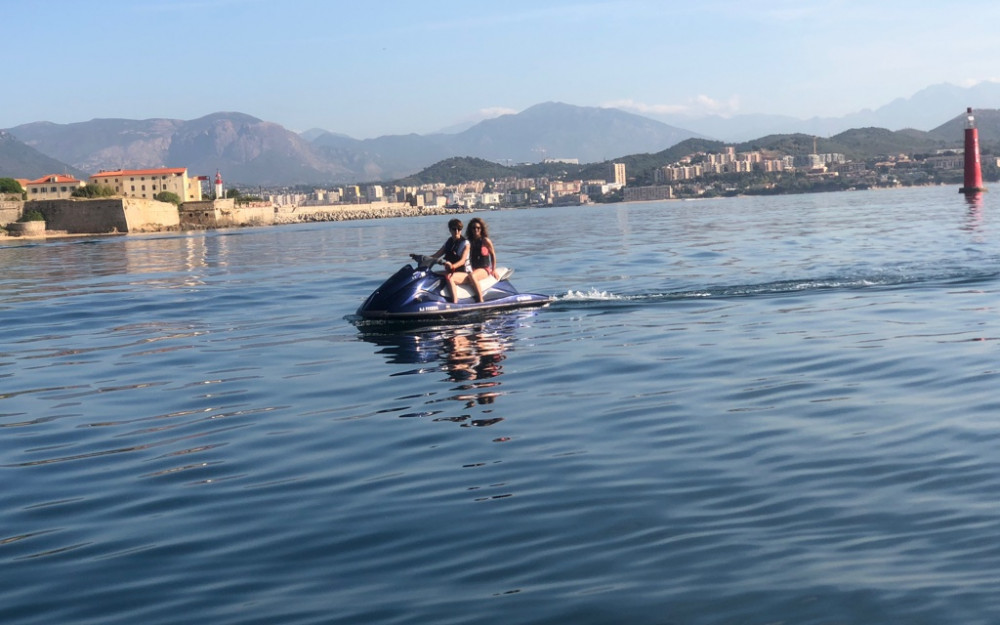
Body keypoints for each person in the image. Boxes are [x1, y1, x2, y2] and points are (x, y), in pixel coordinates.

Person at [411, 218, 469, 304]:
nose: (457, 231)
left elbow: (462, 261)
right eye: (454, 229)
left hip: (464, 272)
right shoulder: (449, 243)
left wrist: (452, 266)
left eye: (459, 229)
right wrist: (421, 258)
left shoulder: (465, 243)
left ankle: (455, 302)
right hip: (451, 271)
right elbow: (435, 256)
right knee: (430, 274)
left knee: (450, 278)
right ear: (450, 230)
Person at [463, 217, 497, 303]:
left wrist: (493, 270)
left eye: (478, 228)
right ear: (470, 229)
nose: (476, 230)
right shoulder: (469, 241)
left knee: (472, 276)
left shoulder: (485, 240)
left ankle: (480, 300)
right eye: (473, 228)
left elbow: (493, 255)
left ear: (481, 229)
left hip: (484, 269)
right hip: (473, 268)